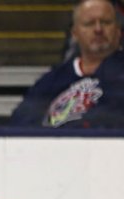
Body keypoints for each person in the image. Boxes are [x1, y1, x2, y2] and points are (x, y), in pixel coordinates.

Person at [12, 0, 124, 128]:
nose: (98, 29)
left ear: (118, 31)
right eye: (89, 24)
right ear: (75, 33)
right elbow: (21, 122)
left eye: (105, 22)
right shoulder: (52, 80)